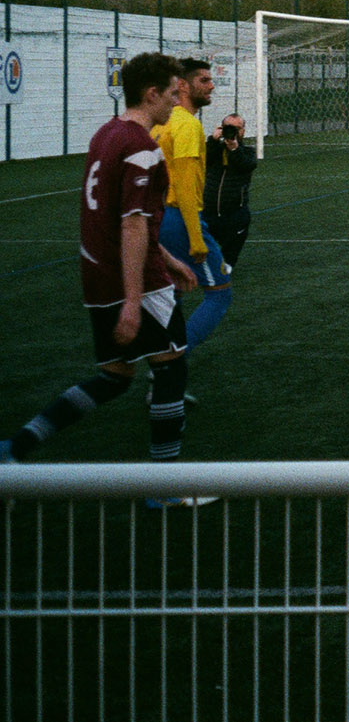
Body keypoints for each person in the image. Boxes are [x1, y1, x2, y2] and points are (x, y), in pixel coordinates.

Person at [1, 52, 212, 507]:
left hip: (97, 275)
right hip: (134, 282)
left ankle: (14, 448)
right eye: (174, 93)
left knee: (116, 377)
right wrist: (135, 300)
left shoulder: (106, 134)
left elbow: (122, 215)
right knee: (171, 369)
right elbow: (132, 223)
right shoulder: (142, 146)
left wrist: (168, 256)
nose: (179, 102)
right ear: (151, 93)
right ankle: (163, 489)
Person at [152, 58, 235, 351]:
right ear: (183, 86)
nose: (211, 85)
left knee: (170, 296)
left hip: (158, 219)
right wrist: (197, 239)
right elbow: (185, 188)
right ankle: (172, 364)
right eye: (203, 80)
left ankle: (161, 375)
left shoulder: (160, 124)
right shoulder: (187, 126)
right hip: (179, 220)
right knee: (220, 293)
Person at [202, 113, 256, 266]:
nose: (232, 132)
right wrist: (213, 140)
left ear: (243, 131)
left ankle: (228, 262)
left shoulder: (248, 152)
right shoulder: (214, 150)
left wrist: (234, 149)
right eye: (228, 128)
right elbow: (204, 159)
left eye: (237, 128)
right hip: (209, 209)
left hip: (234, 211)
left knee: (240, 228)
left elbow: (245, 165)